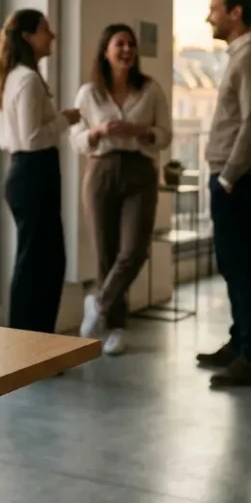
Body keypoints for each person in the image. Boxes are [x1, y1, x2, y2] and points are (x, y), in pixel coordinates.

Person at [194, 0, 251, 388]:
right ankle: (239, 343)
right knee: (232, 265)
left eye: (215, 9)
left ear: (236, 14)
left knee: (240, 268)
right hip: (236, 177)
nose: (209, 16)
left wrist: (227, 176)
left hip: (239, 179)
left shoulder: (250, 59)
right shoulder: (243, 57)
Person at [70, 24, 171, 355]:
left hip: (140, 171)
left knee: (135, 250)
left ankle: (98, 304)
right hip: (101, 171)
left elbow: (165, 134)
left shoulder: (150, 89)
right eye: (120, 44)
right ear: (106, 50)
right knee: (106, 253)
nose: (127, 50)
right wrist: (96, 132)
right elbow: (75, 139)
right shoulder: (89, 93)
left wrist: (138, 130)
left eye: (131, 45)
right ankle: (115, 328)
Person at [0, 9, 82, 333]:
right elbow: (32, 137)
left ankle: (32, 343)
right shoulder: (28, 79)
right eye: (46, 29)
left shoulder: (14, 76)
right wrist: (65, 119)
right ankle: (33, 345)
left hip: (25, 172)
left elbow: (13, 135)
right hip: (34, 172)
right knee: (42, 264)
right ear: (29, 37)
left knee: (36, 261)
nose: (53, 35)